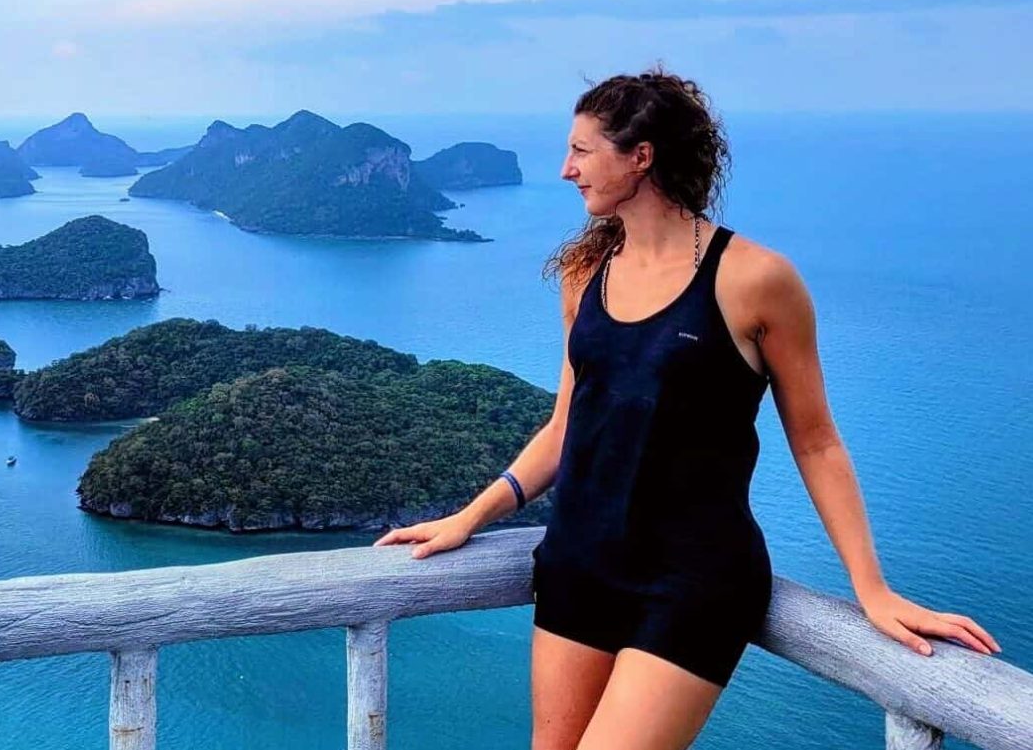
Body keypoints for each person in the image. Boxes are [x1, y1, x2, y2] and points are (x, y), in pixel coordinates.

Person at [373, 67, 999, 750]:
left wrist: (871, 587)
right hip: (578, 564)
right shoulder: (587, 275)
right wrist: (470, 515)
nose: (565, 169)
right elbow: (567, 425)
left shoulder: (756, 280)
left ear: (641, 156)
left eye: (582, 150)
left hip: (692, 582)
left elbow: (816, 441)